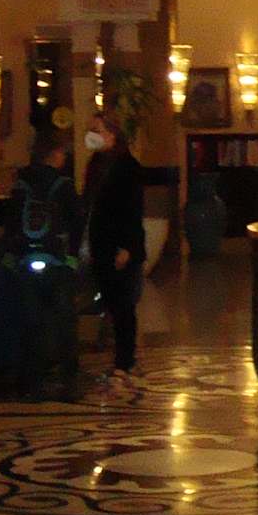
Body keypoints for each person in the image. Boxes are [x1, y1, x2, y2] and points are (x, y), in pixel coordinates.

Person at [2, 130, 84, 399]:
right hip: (57, 261)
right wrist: (72, 256)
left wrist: (10, 256)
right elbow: (77, 221)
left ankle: (30, 384)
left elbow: (11, 223)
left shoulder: (20, 184)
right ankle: (69, 380)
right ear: (56, 154)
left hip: (25, 261)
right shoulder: (63, 184)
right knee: (64, 323)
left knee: (30, 323)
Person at [83, 116, 146, 382]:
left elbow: (132, 210)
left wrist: (127, 248)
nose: (91, 135)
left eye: (96, 130)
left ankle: (125, 360)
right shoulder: (95, 165)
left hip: (121, 246)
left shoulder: (128, 167)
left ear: (112, 134)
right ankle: (121, 356)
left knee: (123, 305)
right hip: (101, 243)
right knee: (111, 301)